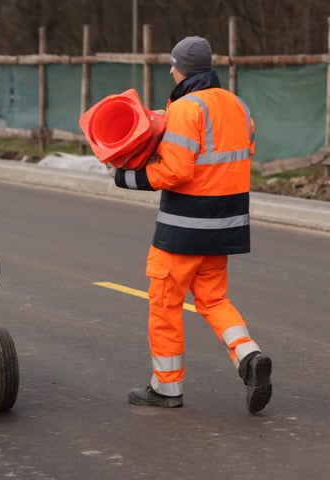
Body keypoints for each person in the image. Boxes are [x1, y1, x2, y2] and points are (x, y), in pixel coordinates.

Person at [112, 36, 272, 414]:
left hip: (183, 228)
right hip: (225, 224)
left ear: (183, 67)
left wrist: (126, 178)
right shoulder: (237, 105)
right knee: (214, 299)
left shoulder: (187, 108)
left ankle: (166, 388)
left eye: (173, 64)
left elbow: (176, 171)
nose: (170, 70)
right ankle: (249, 356)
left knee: (165, 304)